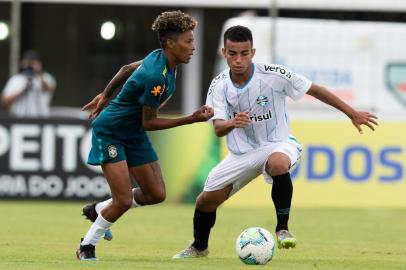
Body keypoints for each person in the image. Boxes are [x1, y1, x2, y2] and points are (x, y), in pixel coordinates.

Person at [172, 25, 378, 259]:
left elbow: (315, 89)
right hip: (241, 154)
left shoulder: (273, 74)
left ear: (253, 52)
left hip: (277, 143)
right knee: (205, 202)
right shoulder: (219, 85)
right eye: (232, 54)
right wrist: (232, 123)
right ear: (224, 52)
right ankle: (199, 247)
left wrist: (351, 113)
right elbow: (218, 129)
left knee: (279, 163)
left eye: (244, 53)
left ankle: (282, 229)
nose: (238, 60)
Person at [76, 10, 214, 261]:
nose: (193, 47)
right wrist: (191, 119)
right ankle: (86, 246)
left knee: (155, 194)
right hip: (112, 133)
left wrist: (106, 96)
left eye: (192, 40)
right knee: (123, 200)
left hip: (133, 133)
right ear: (171, 44)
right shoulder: (155, 77)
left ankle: (97, 210)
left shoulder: (163, 58)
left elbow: (126, 68)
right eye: (188, 41)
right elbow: (149, 123)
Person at [1, 51, 56, 117]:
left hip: (41, 119)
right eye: (27, 62)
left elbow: (48, 89)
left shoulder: (46, 77)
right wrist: (22, 91)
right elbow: (4, 101)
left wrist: (38, 72)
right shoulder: (16, 79)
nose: (30, 65)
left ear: (40, 64)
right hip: (19, 119)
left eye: (33, 63)